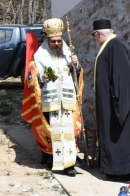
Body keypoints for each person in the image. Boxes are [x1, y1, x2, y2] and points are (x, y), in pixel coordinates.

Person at [22, 18, 83, 175]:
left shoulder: (67, 52)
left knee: (69, 131)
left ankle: (69, 164)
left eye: (58, 41)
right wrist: (42, 77)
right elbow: (34, 77)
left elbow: (76, 74)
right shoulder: (40, 55)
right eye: (53, 41)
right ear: (48, 40)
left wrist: (76, 65)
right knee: (53, 131)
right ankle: (53, 160)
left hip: (67, 99)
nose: (57, 44)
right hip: (51, 99)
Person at [92, 19, 130, 179]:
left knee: (123, 139)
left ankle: (124, 171)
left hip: (119, 106)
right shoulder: (110, 46)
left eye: (94, 36)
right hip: (112, 104)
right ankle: (114, 170)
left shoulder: (114, 46)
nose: (95, 40)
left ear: (98, 34)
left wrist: (120, 108)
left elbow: (122, 79)